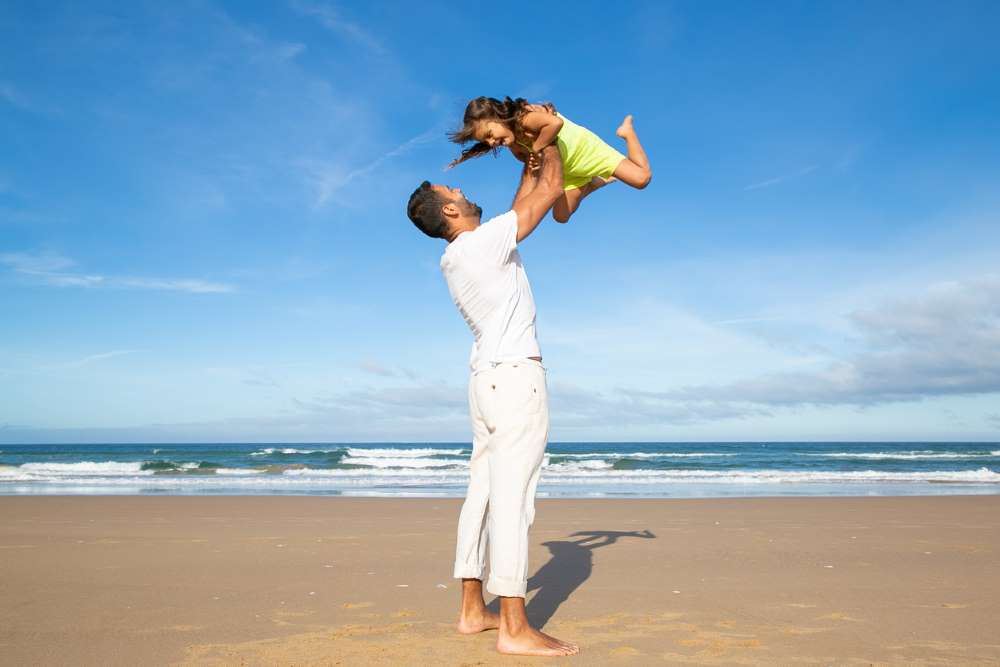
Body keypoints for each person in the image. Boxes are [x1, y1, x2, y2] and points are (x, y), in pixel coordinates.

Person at [406, 144, 580, 657]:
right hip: (513, 378)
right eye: (452, 191)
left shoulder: (465, 251)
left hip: (486, 381)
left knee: (481, 495)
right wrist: (547, 142)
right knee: (513, 502)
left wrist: (528, 165)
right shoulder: (481, 246)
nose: (460, 188)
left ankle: (470, 611)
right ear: (450, 212)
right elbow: (547, 193)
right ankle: (513, 627)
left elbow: (521, 204)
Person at [447, 96, 651, 223]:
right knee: (560, 217)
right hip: (567, 171)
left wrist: (537, 147)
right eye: (486, 140)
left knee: (641, 179)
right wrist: (534, 163)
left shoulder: (524, 118)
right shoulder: (512, 144)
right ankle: (594, 183)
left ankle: (627, 132)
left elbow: (554, 123)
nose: (491, 142)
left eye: (490, 134)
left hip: (586, 152)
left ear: (499, 117)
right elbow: (525, 159)